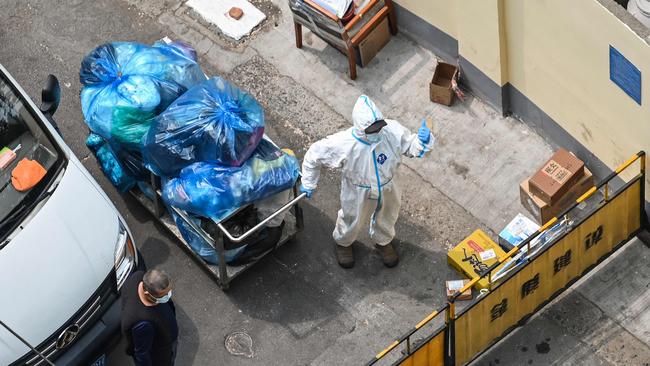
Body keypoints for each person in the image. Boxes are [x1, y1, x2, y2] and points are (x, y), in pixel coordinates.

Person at [300, 95, 434, 268]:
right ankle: (344, 242)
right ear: (362, 128)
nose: (378, 131)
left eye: (379, 126)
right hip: (357, 190)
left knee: (389, 213)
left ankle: (383, 240)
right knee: (352, 217)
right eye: (372, 129)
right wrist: (309, 182)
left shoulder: (391, 130)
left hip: (389, 185)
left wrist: (422, 141)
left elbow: (411, 146)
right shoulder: (343, 143)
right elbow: (314, 155)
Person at [121, 269, 179, 366]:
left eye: (168, 292)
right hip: (161, 356)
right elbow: (142, 354)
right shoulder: (143, 324)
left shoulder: (138, 276)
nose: (168, 296)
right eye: (164, 295)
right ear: (147, 294)